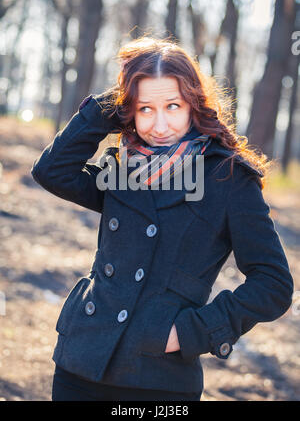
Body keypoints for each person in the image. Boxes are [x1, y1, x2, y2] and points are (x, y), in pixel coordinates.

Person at [31, 36, 293, 401]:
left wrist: (190, 332)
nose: (159, 124)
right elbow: (52, 171)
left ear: (193, 104)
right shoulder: (124, 169)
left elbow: (273, 284)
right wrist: (114, 99)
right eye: (144, 109)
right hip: (81, 361)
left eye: (173, 105)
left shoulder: (227, 177)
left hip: (158, 375)